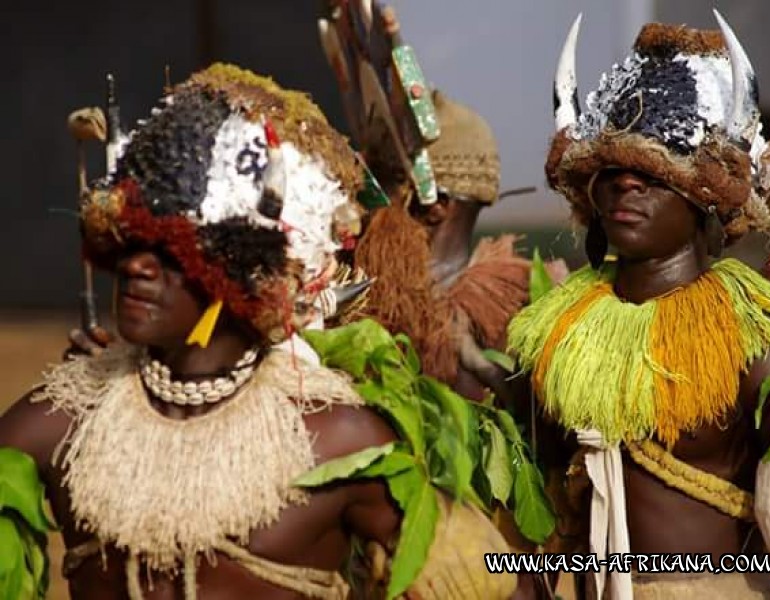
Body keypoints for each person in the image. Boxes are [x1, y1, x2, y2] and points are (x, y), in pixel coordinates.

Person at [0, 64, 530, 599]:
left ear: (250, 272)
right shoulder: (57, 422)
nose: (138, 265)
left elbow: (500, 586)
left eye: (172, 248)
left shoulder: (338, 441)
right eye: (130, 242)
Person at [508, 13, 770, 599]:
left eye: (652, 177)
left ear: (703, 202)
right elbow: (537, 507)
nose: (625, 187)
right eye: (611, 173)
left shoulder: (753, 343)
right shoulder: (557, 334)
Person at [318, 1, 567, 415]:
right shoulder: (344, 290)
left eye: (383, 189)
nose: (361, 207)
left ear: (437, 209)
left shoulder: (518, 313)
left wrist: (490, 376)